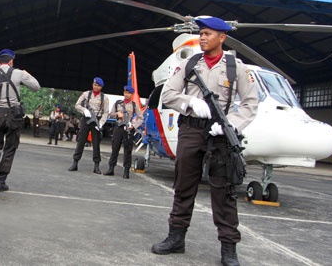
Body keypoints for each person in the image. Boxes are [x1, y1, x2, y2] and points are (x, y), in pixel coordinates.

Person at [151, 16, 258, 266]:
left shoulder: (237, 68)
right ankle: (176, 238)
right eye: (201, 33)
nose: (202, 37)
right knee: (183, 186)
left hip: (221, 136)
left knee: (224, 193)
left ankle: (228, 249)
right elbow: (168, 94)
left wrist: (230, 124)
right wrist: (189, 103)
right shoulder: (191, 64)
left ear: (222, 38)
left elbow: (251, 103)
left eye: (208, 33)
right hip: (191, 131)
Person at [0, 49, 40, 192]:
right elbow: (36, 87)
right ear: (11, 61)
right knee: (10, 147)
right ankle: (1, 182)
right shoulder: (19, 73)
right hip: (14, 115)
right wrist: (27, 74)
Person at [68, 77, 110, 174]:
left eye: (98, 86)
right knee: (81, 141)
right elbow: (77, 105)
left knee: (96, 143)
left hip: (97, 120)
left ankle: (96, 165)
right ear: (92, 84)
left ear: (101, 87)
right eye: (95, 85)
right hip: (86, 119)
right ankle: (75, 162)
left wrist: (101, 123)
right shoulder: (86, 94)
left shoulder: (104, 98)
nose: (96, 87)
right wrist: (84, 110)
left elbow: (106, 112)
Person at [104, 85, 143, 179]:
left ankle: (126, 171)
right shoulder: (118, 103)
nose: (127, 95)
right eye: (125, 92)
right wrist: (118, 114)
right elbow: (111, 114)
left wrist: (133, 125)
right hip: (118, 127)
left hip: (128, 129)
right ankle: (111, 168)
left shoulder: (134, 105)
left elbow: (140, 118)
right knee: (115, 148)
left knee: (128, 150)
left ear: (131, 94)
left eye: (129, 93)